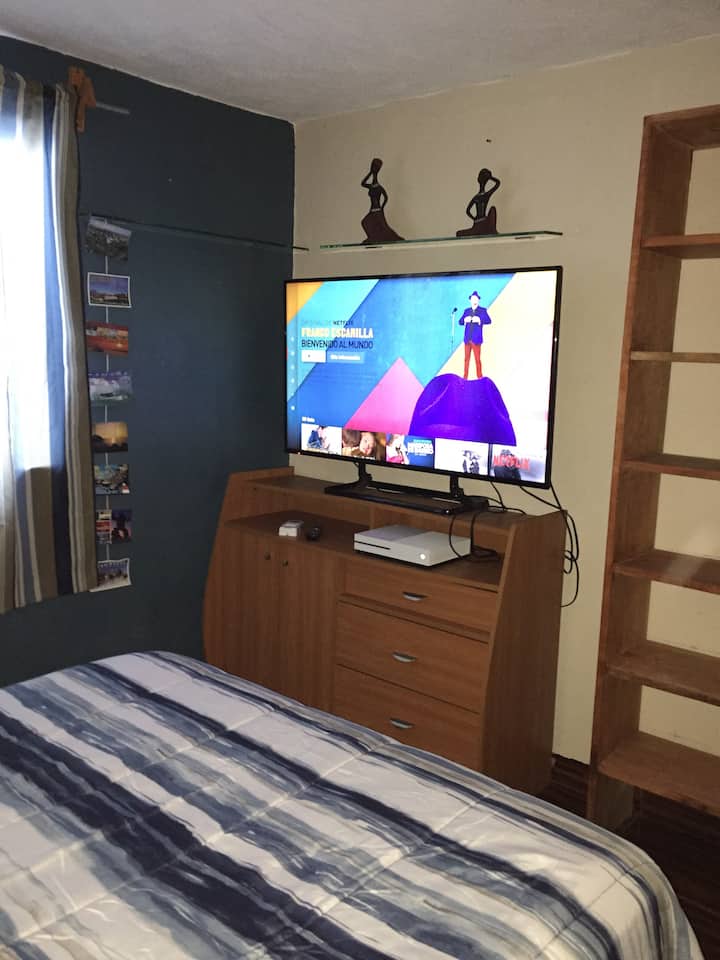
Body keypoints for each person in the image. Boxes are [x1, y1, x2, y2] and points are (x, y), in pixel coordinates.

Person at [360, 158, 404, 243]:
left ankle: (375, 238)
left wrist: (382, 207)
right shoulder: (372, 186)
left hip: (377, 210)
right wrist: (370, 172)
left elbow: (386, 197)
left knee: (375, 224)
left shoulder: (378, 187)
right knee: (367, 223)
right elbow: (362, 183)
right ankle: (373, 238)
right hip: (373, 210)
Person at [456, 168, 501, 236]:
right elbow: (498, 183)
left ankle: (489, 231)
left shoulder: (477, 197)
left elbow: (468, 211)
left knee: (492, 209)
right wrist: (490, 177)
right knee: (459, 233)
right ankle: (489, 231)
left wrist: (475, 218)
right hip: (480, 223)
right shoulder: (486, 195)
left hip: (478, 222)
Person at [458, 290, 492, 379]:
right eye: (473, 299)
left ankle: (480, 377)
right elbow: (460, 322)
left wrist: (479, 319)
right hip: (467, 339)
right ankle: (465, 378)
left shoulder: (483, 310)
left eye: (476, 299)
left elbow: (489, 320)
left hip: (476, 339)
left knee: (477, 359)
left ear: (478, 300)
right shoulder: (466, 311)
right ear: (470, 300)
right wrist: (465, 320)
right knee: (466, 359)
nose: (474, 300)